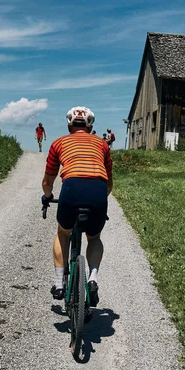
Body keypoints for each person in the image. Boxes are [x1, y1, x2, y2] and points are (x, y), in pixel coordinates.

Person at [41, 106, 112, 307]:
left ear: (69, 124)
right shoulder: (102, 145)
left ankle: (58, 283)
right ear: (90, 126)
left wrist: (48, 197)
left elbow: (48, 182)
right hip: (97, 190)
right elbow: (109, 184)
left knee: (63, 233)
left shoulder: (59, 143)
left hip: (71, 188)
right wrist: (99, 202)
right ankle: (93, 278)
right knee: (94, 237)